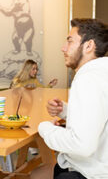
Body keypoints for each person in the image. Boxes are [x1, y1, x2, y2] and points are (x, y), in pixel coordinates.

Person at [38, 18, 108, 179]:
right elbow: (99, 115)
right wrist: (66, 111)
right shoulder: (102, 73)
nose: (63, 48)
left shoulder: (87, 79)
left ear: (89, 45)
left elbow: (82, 145)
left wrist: (46, 128)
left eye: (69, 41)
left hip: (92, 173)